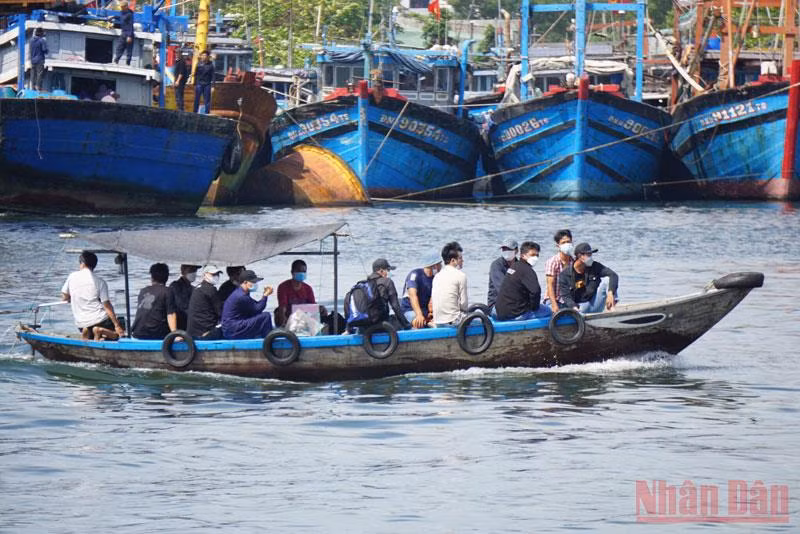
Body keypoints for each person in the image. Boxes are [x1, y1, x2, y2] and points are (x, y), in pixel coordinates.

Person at [61, 251, 125, 340]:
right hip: (100, 320)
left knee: (90, 330)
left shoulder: (71, 277)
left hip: (81, 322)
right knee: (119, 332)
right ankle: (100, 331)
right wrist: (117, 325)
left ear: (82, 263)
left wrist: (71, 297)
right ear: (94, 265)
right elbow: (107, 305)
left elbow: (65, 297)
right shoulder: (100, 282)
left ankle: (87, 332)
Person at [495, 242, 551, 321]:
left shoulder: (514, 266)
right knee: (548, 310)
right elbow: (535, 292)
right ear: (522, 255)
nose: (535, 258)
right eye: (532, 255)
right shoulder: (527, 270)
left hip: (500, 311)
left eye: (537, 255)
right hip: (515, 314)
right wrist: (534, 308)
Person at [558, 242, 619, 313]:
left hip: (594, 304)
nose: (591, 257)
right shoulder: (565, 274)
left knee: (607, 280)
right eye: (588, 255)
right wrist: (574, 308)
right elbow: (566, 296)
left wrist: (610, 293)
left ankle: (612, 308)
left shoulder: (595, 266)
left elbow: (613, 275)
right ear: (580, 256)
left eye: (591, 254)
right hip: (580, 308)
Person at [221, 269, 274, 339]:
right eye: (253, 282)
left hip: (231, 328)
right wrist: (265, 295)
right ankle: (269, 341)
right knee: (266, 316)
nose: (255, 284)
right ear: (245, 282)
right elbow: (258, 309)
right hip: (233, 329)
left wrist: (264, 296)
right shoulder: (241, 296)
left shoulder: (241, 293)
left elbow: (255, 306)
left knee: (259, 316)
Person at [366, 258, 411, 330]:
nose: (389, 273)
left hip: (365, 325)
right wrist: (407, 325)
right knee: (397, 321)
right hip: (381, 324)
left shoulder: (364, 284)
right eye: (388, 270)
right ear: (381, 270)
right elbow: (395, 306)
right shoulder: (387, 282)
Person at [400, 252, 442, 329]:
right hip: (409, 310)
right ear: (435, 266)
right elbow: (413, 296)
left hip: (424, 311)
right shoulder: (415, 275)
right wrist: (419, 314)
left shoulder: (436, 278)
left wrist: (431, 313)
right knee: (419, 322)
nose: (441, 267)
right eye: (440, 264)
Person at [431, 241, 468, 327]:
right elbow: (464, 305)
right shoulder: (461, 276)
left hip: (438, 321)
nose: (462, 261)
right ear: (453, 260)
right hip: (454, 321)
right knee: (482, 321)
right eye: (460, 258)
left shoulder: (437, 276)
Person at [131, 263, 170, 339]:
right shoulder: (168, 291)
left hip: (137, 331)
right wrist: (175, 334)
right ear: (167, 277)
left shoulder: (143, 291)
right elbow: (171, 314)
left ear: (152, 278)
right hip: (156, 333)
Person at [186, 265, 223, 339]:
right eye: (213, 274)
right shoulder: (210, 290)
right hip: (205, 332)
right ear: (204, 275)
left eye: (217, 274)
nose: (216, 276)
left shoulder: (197, 288)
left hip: (193, 332)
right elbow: (220, 312)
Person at [275, 259, 315, 327]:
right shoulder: (283, 287)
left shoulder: (308, 288)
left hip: (304, 319)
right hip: (288, 318)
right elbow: (283, 307)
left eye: (304, 271)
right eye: (299, 271)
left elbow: (312, 307)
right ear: (292, 272)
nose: (302, 273)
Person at [544, 229, 574, 309]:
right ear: (558, 245)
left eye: (568, 242)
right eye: (563, 243)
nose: (567, 244)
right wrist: (554, 305)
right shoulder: (553, 262)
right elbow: (550, 285)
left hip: (568, 300)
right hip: (554, 300)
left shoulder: (573, 261)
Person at [487, 237, 518, 309]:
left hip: (516, 302)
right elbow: (502, 288)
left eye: (509, 249)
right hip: (497, 305)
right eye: (504, 249)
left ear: (516, 251)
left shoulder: (519, 265)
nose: (506, 251)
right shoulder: (496, 265)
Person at [167, 264, 199, 332]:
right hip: (180, 324)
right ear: (183, 270)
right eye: (191, 270)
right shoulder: (176, 286)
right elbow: (182, 306)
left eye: (195, 270)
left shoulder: (193, 288)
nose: (193, 273)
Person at [113, 1, 134, 66]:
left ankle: (128, 63)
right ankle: (116, 61)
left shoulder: (130, 14)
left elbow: (131, 25)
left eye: (122, 7)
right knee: (120, 47)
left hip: (129, 33)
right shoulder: (122, 12)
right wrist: (114, 17)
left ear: (126, 6)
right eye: (121, 7)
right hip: (123, 32)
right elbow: (121, 18)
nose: (121, 8)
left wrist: (129, 36)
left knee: (129, 49)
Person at [193, 49, 214, 114]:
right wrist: (194, 84)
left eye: (205, 55)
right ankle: (194, 112)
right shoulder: (199, 64)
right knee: (197, 99)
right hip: (199, 84)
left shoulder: (211, 65)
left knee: (207, 100)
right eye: (203, 55)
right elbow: (195, 74)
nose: (204, 57)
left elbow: (213, 76)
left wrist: (213, 86)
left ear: (207, 57)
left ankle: (207, 113)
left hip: (207, 84)